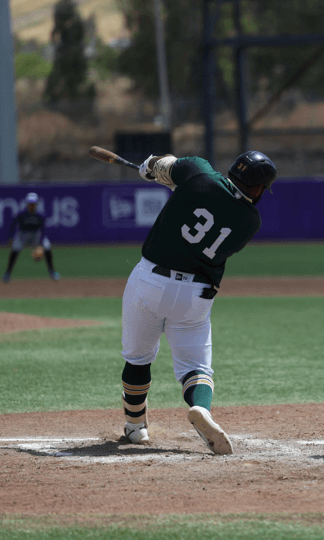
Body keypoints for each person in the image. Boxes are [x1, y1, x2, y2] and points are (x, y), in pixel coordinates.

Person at [120, 150, 276, 455]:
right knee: (196, 367)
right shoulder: (250, 221)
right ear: (258, 189)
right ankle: (201, 408)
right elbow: (213, 202)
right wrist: (178, 184)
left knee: (138, 359)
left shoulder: (198, 172)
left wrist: (148, 168)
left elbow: (161, 164)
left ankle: (136, 428)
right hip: (195, 295)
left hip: (149, 281)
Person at [2, 193, 60, 282]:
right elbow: (13, 225)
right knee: (15, 250)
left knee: (47, 246)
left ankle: (52, 272)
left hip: (36, 235)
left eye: (33, 204)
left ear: (36, 204)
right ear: (27, 204)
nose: (32, 205)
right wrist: (10, 238)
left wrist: (40, 245)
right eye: (30, 204)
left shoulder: (40, 216)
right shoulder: (21, 215)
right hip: (22, 235)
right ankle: (7, 273)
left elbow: (43, 231)